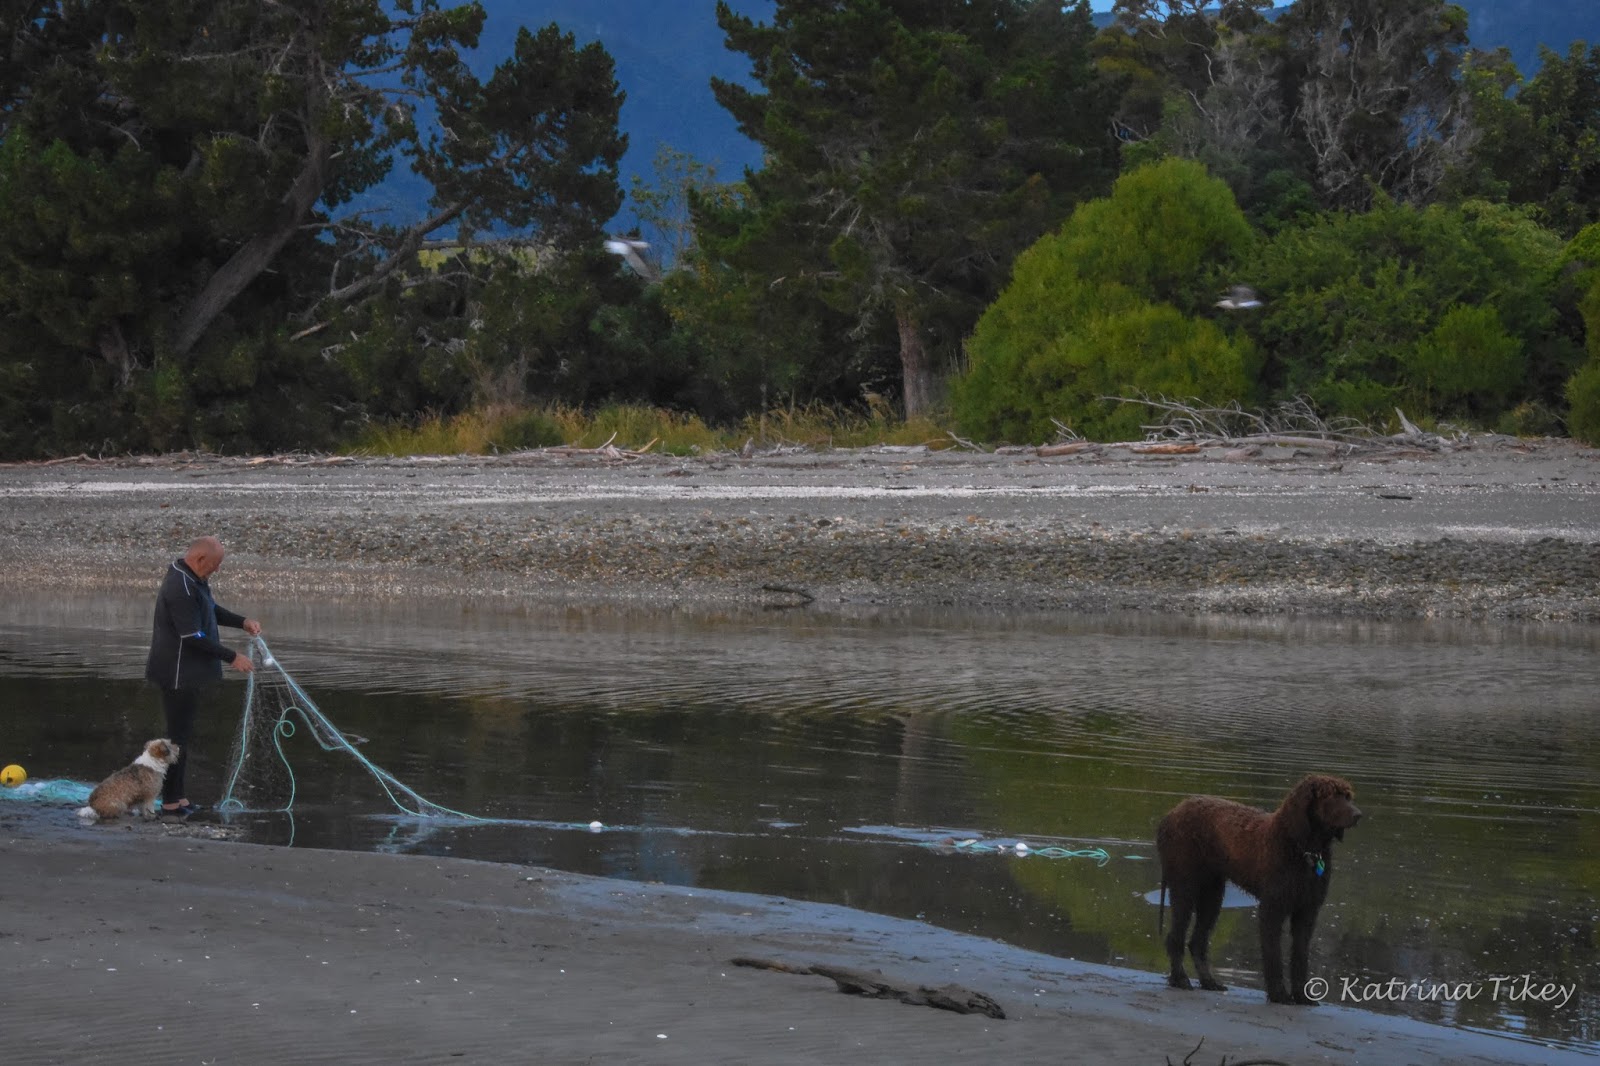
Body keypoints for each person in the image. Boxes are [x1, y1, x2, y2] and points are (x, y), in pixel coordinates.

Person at [144, 535, 261, 816]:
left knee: (182, 737)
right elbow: (192, 636)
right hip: (176, 674)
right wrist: (232, 657)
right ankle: (171, 801)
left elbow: (209, 609)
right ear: (199, 559)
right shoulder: (180, 586)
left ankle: (179, 797)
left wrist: (241, 622)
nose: (217, 570)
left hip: (189, 674)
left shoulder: (193, 578)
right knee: (177, 738)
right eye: (215, 564)